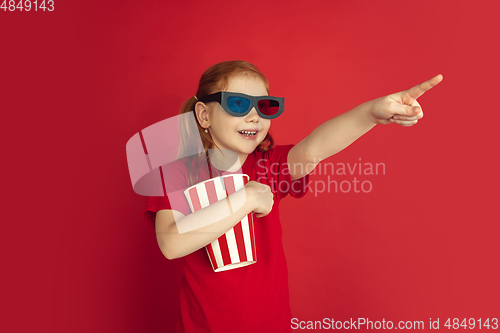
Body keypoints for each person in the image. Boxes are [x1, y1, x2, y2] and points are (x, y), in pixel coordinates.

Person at [143, 60, 443, 332]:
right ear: (204, 114)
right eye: (237, 104)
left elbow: (313, 149)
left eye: (265, 107)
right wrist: (245, 199)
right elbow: (171, 242)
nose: (253, 117)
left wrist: (371, 113)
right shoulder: (176, 174)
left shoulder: (268, 166)